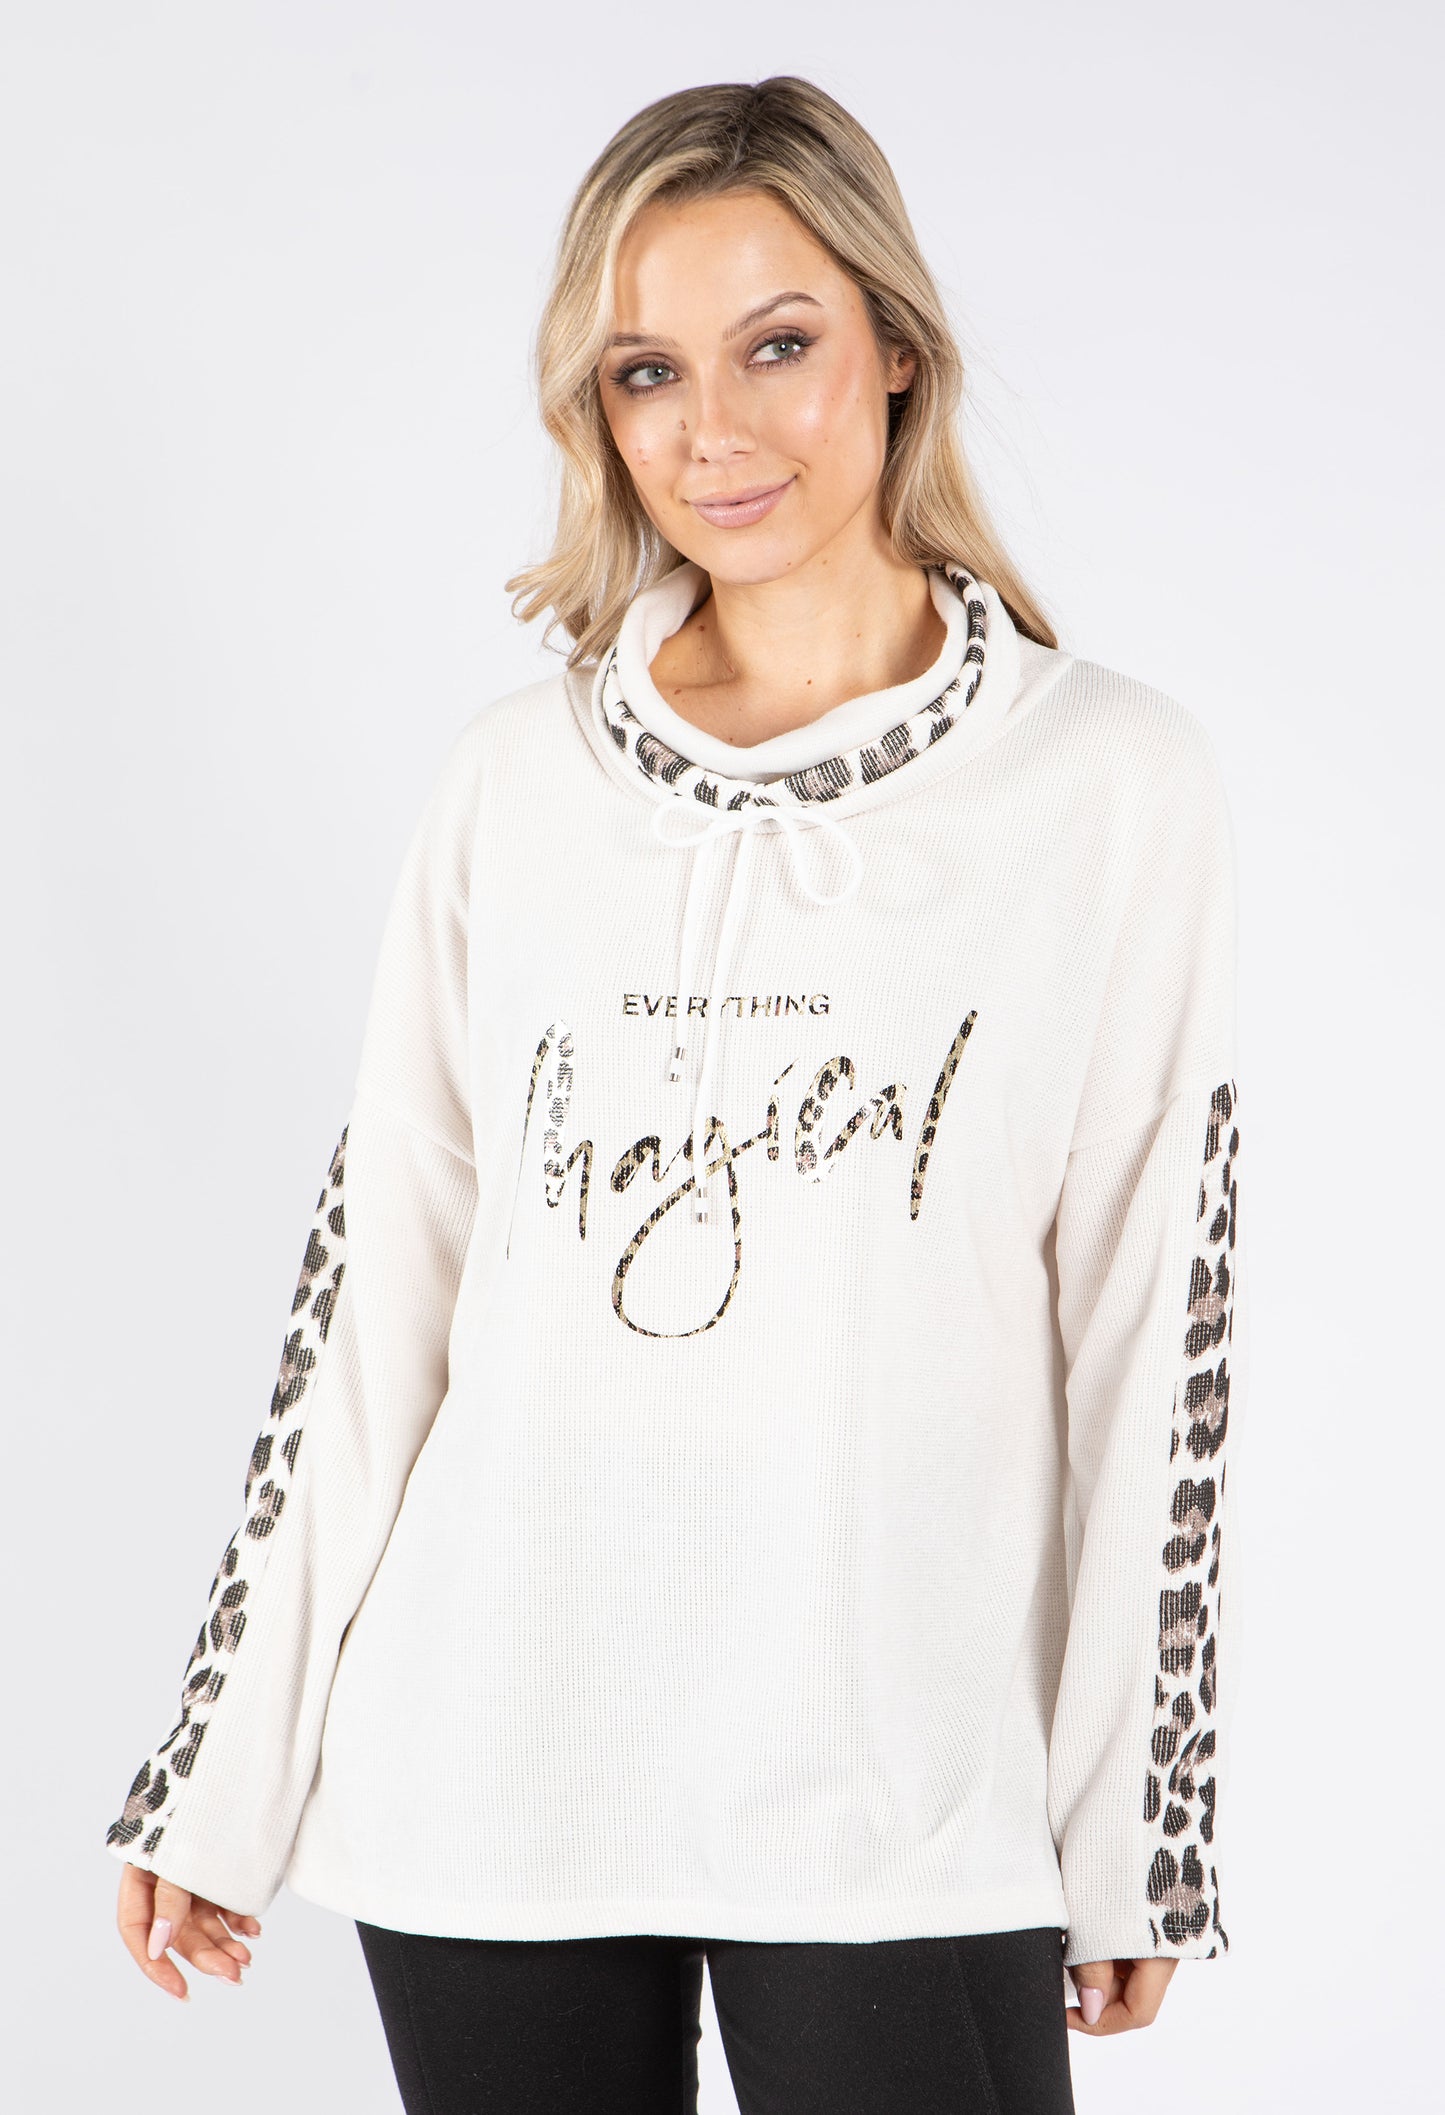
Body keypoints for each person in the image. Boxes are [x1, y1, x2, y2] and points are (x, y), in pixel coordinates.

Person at [104, 75, 1244, 2115]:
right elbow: (378, 1290)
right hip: (488, 1773)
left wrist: (1129, 1825)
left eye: (776, 346)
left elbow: (1153, 1324)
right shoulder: (513, 782)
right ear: (599, 411)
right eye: (646, 371)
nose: (712, 428)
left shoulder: (1105, 783)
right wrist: (223, 1768)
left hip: (894, 1797)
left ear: (896, 348)